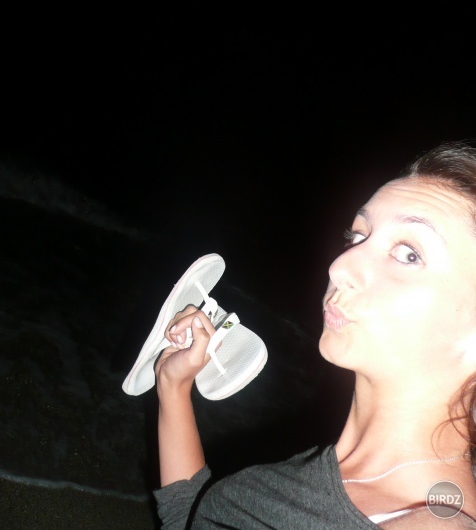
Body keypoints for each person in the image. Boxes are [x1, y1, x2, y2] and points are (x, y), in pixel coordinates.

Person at [125, 140, 476, 528]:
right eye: (358, 236)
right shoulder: (334, 472)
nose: (341, 267)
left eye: (409, 254)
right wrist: (173, 385)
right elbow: (194, 521)